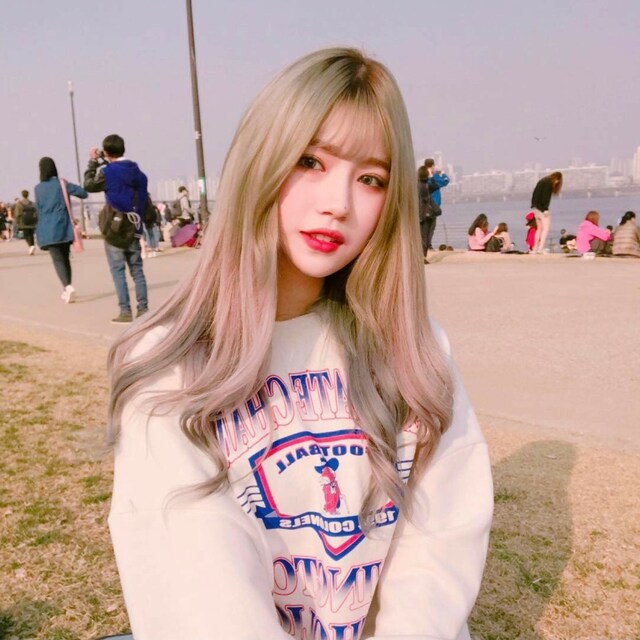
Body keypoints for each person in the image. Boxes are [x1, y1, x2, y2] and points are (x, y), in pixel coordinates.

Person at [105, 48, 493, 640]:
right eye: (311, 161)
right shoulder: (170, 366)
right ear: (261, 160)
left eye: (371, 178)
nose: (338, 203)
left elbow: (442, 534)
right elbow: (202, 593)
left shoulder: (416, 349)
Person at [83, 134, 149, 323]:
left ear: (107, 152)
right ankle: (143, 309)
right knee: (137, 271)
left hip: (114, 228)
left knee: (118, 271)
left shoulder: (107, 172)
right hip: (134, 226)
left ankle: (125, 311)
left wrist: (93, 162)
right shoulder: (139, 173)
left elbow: (88, 185)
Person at [34, 157, 88, 302]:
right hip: (63, 226)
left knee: (57, 260)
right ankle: (67, 287)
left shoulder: (38, 188)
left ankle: (68, 287)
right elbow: (83, 193)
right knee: (65, 257)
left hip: (47, 228)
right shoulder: (61, 183)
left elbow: (38, 210)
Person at [530, 171, 563, 253]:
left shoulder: (541, 181)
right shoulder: (548, 183)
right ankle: (540, 248)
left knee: (539, 229)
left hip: (535, 208)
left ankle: (535, 248)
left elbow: (534, 195)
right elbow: (546, 196)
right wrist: (545, 209)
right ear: (557, 179)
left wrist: (534, 205)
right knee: (546, 228)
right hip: (541, 209)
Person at [14, 190, 38, 255]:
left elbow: (17, 214)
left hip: (23, 222)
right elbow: (36, 212)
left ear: (22, 195)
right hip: (32, 221)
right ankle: (32, 245)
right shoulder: (32, 203)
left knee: (26, 235)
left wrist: (17, 222)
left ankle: (31, 246)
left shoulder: (19, 204)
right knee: (31, 235)